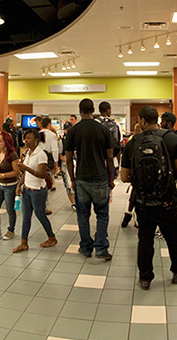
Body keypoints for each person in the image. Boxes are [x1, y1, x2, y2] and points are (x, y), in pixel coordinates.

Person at [121, 106, 177, 290]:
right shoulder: (172, 139)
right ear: (157, 120)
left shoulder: (132, 143)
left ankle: (145, 278)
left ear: (143, 121)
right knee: (174, 238)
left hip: (143, 202)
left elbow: (123, 177)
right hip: (168, 200)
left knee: (145, 241)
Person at [65, 98, 115, 261]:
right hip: (100, 177)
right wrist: (111, 178)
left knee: (83, 214)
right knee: (102, 214)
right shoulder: (103, 130)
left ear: (80, 110)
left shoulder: (73, 131)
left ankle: (85, 247)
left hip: (81, 179)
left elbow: (69, 159)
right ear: (93, 110)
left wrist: (72, 179)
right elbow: (109, 157)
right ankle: (101, 248)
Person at [13, 129, 57, 253]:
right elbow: (25, 173)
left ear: (36, 140)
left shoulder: (41, 154)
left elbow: (42, 174)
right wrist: (19, 185)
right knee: (26, 217)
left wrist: (25, 167)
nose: (25, 140)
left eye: (28, 138)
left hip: (38, 191)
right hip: (27, 189)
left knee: (40, 215)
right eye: (25, 138)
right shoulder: (28, 153)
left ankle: (52, 238)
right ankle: (23, 243)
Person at [0, 132, 20, 240]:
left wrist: (2, 175)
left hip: (10, 185)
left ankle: (11, 230)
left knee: (10, 209)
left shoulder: (12, 155)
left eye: (1, 141)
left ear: (7, 142)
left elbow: (16, 172)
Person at [121, 122, 144, 229]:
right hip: (147, 176)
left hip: (135, 175)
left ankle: (129, 213)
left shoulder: (131, 142)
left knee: (134, 195)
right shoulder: (148, 141)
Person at [59, 122, 77, 211]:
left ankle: (77, 201)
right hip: (65, 163)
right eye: (66, 129)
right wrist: (67, 160)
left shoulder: (76, 139)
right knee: (68, 183)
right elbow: (60, 154)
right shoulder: (62, 141)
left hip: (75, 163)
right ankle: (73, 202)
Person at [39, 118, 59, 196]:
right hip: (48, 159)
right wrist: (56, 162)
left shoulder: (38, 133)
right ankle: (44, 204)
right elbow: (54, 149)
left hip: (39, 158)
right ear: (49, 124)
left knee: (40, 180)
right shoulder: (52, 135)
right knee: (48, 180)